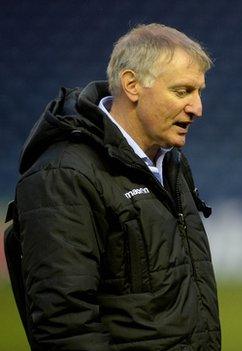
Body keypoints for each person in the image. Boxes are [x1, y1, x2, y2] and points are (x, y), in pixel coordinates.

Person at [7, 23, 220, 350]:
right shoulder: (64, 174)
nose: (197, 108)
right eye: (182, 91)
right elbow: (64, 325)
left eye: (199, 91)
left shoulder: (170, 163)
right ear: (132, 85)